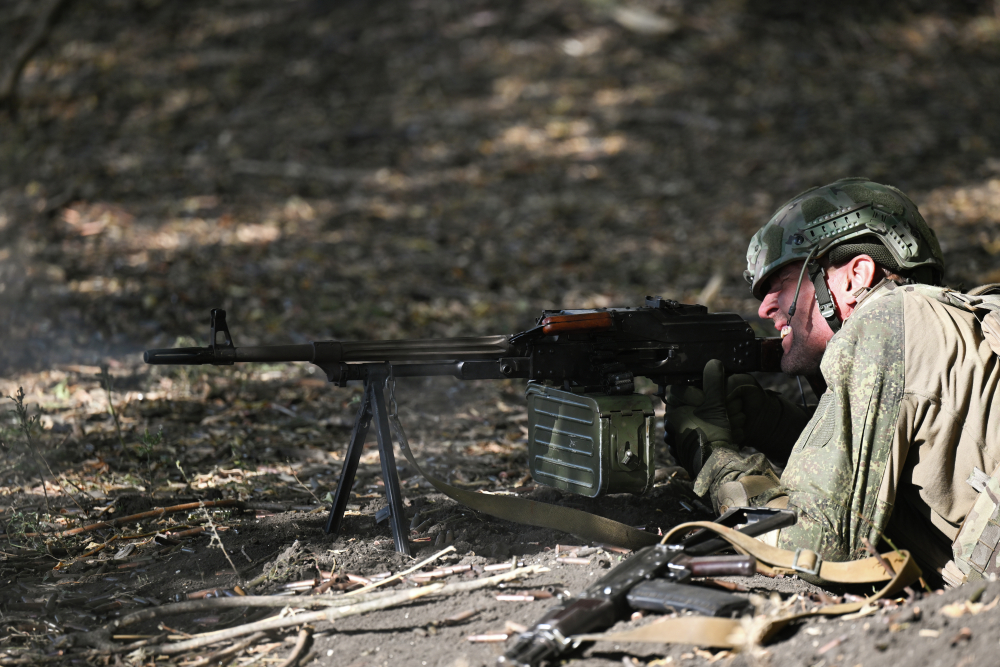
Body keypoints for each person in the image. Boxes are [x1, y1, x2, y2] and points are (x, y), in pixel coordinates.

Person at [664, 177, 1000, 584]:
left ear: (857, 274)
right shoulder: (939, 326)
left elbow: (814, 544)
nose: (766, 308)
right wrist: (774, 425)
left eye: (782, 283)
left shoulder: (884, 320)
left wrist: (715, 459)